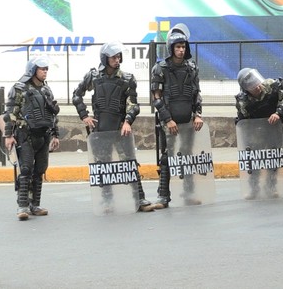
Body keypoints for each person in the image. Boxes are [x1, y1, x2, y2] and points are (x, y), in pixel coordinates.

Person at [72, 41, 153, 212]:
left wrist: (128, 121)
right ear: (105, 58)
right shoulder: (94, 77)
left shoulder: (127, 79)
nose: (117, 60)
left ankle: (139, 198)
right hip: (100, 130)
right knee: (104, 166)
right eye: (113, 57)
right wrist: (84, 116)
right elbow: (77, 95)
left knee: (129, 164)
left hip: (120, 129)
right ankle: (106, 201)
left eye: (118, 57)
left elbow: (134, 105)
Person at [150, 23, 203, 209]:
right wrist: (167, 119)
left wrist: (198, 115)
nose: (181, 50)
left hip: (188, 119)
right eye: (177, 47)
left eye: (183, 47)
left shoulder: (191, 67)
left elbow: (197, 94)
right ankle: (163, 196)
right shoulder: (160, 68)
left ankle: (189, 193)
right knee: (167, 158)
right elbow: (156, 98)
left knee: (188, 157)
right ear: (171, 48)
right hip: (169, 121)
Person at [3, 56, 60, 221]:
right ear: (33, 70)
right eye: (42, 69)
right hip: (25, 134)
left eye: (46, 69)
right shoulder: (19, 88)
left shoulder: (46, 90)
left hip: (44, 135)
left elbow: (52, 114)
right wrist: (8, 135)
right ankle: (22, 206)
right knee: (26, 169)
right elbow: (11, 113)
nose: (45, 71)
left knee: (40, 169)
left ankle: (35, 205)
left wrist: (56, 134)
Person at [235, 67, 283, 199]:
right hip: (255, 133)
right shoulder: (243, 100)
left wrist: (278, 113)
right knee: (254, 160)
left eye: (255, 83)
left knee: (273, 159)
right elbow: (242, 119)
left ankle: (271, 187)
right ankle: (254, 189)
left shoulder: (274, 86)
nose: (256, 87)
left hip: (274, 129)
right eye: (251, 86)